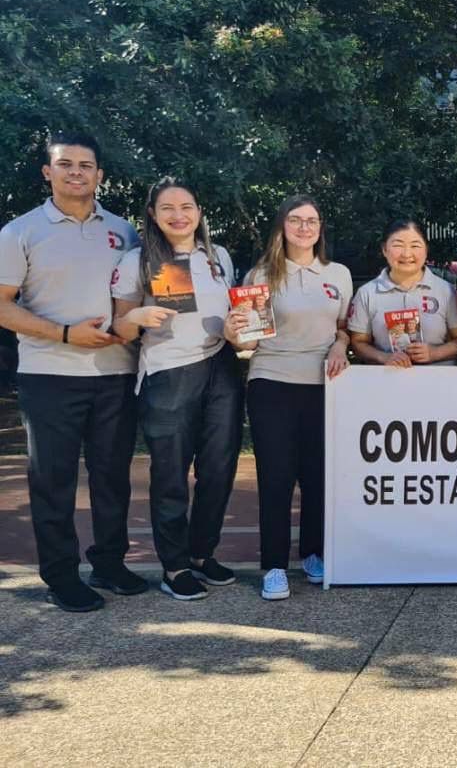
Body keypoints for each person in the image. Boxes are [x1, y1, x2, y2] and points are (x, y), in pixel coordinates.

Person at [0, 132, 143, 612]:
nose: (76, 172)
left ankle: (109, 564)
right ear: (48, 172)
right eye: (66, 164)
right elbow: (2, 307)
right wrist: (64, 334)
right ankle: (61, 577)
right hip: (49, 375)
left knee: (112, 478)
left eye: (86, 165)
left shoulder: (125, 232)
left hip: (115, 374)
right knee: (53, 481)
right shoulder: (19, 232)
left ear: (100, 174)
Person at [111, 177, 241, 601]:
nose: (179, 215)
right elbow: (120, 324)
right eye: (168, 208)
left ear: (199, 211)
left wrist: (239, 328)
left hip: (220, 365)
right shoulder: (138, 259)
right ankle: (175, 566)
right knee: (170, 474)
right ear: (152, 214)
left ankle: (203, 554)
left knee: (219, 468)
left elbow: (231, 311)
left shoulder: (216, 256)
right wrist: (141, 314)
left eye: (187, 206)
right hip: (169, 372)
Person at [228, 195, 352, 601]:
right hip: (272, 381)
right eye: (296, 220)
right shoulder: (263, 274)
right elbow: (247, 338)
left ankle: (313, 553)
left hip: (323, 386)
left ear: (321, 228)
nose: (304, 228)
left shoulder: (339, 274)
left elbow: (342, 328)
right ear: (283, 226)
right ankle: (275, 566)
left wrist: (339, 346)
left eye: (312, 220)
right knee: (277, 477)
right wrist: (233, 333)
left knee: (318, 476)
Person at [349, 219, 457, 367]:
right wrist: (384, 357)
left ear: (426, 250)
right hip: (386, 382)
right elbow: (358, 342)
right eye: (398, 245)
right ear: (384, 249)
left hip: (439, 382)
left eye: (415, 245)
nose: (406, 254)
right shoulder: (367, 293)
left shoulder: (446, 291)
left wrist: (434, 353)